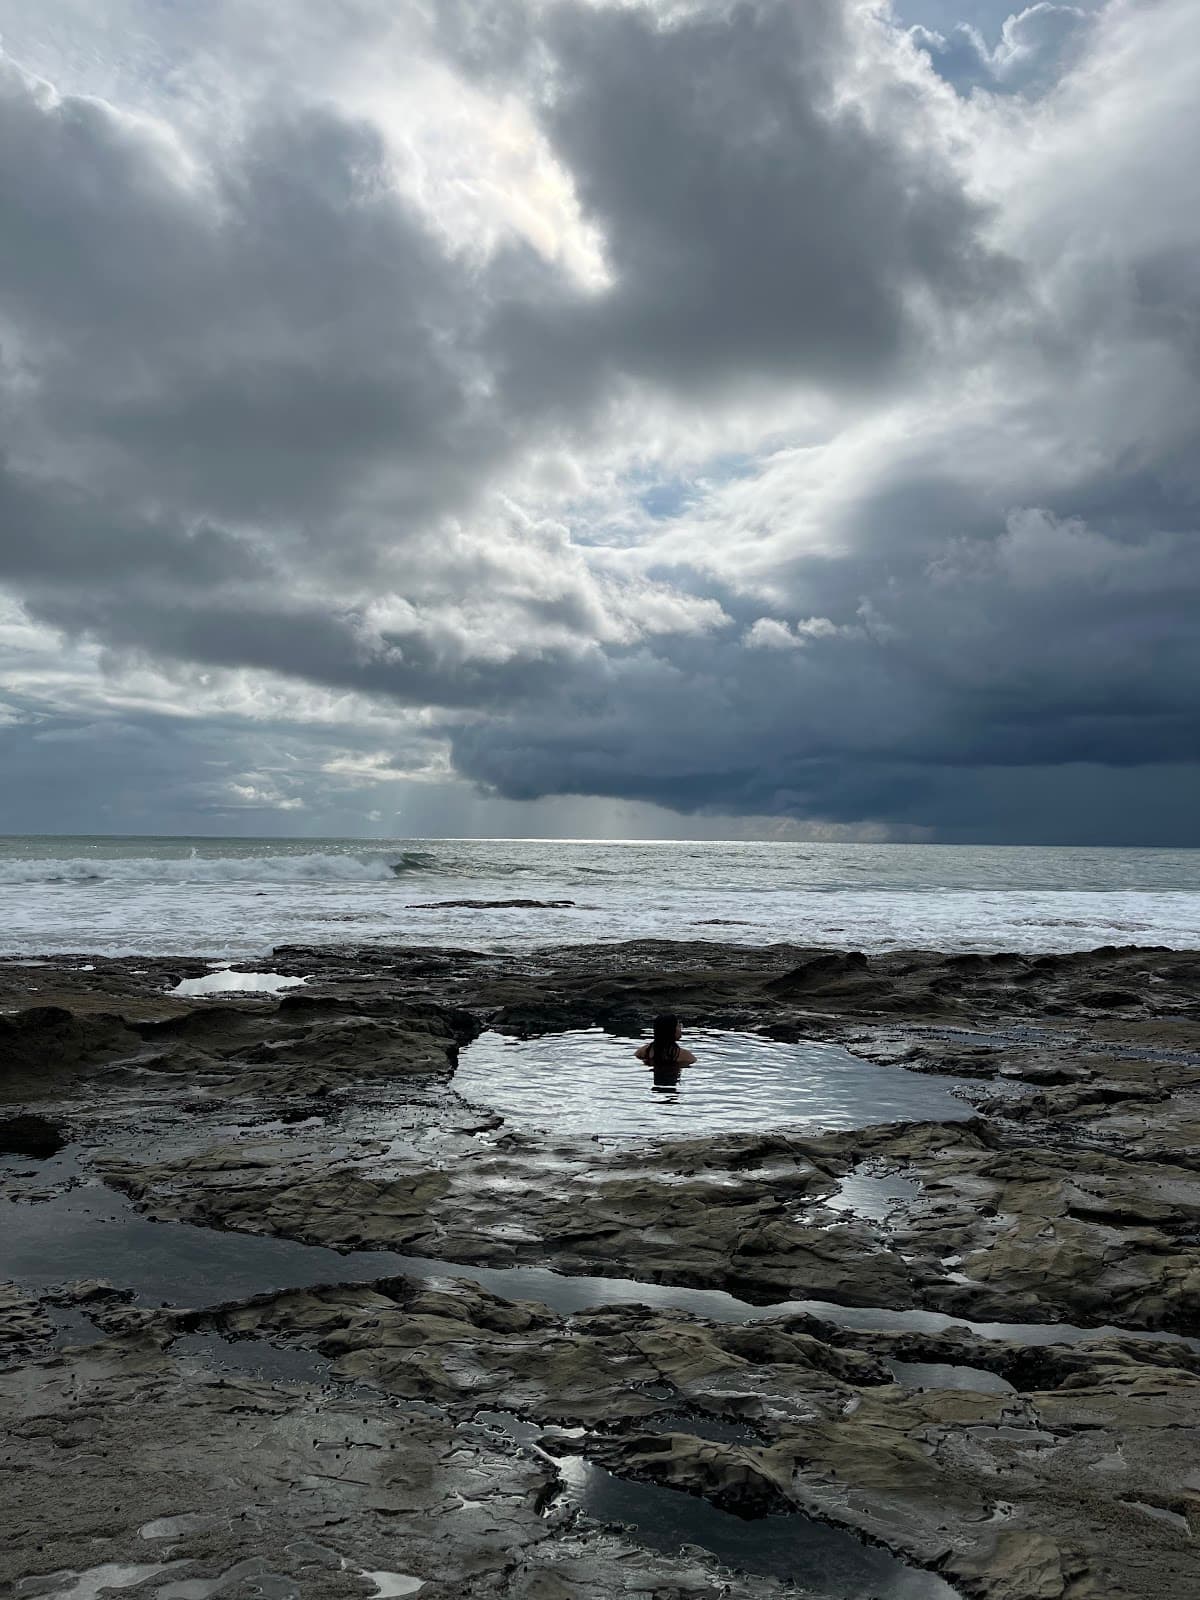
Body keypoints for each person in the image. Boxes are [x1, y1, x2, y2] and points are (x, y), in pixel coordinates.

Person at [635, 1014, 696, 1084]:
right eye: (678, 1025)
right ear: (671, 1030)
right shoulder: (684, 1055)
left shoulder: (643, 1051)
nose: (680, 1028)